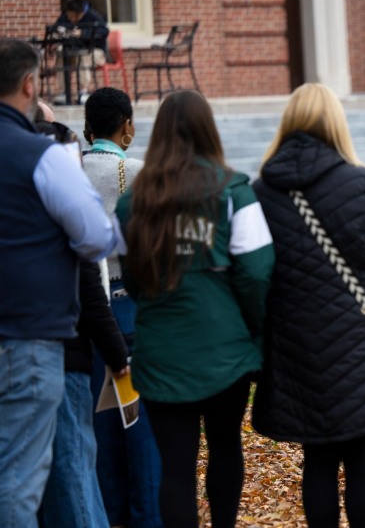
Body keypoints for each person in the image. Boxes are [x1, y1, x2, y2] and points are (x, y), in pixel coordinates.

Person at [251, 83, 365, 528]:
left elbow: (250, 274)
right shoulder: (363, 183)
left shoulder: (261, 192)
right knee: (364, 464)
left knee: (317, 462)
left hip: (293, 348)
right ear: (335, 123)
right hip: (362, 344)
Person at [114, 90, 274, 528]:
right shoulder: (233, 191)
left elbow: (131, 276)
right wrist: (257, 334)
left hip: (160, 350)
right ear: (209, 129)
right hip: (226, 350)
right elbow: (258, 272)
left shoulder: (133, 203)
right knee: (225, 448)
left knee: (176, 468)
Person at [0, 37, 116, 528]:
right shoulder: (43, 156)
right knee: (17, 484)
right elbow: (98, 236)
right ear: (30, 84)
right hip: (28, 338)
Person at [35, 105, 131, 528]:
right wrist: (118, 353)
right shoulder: (66, 208)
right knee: (78, 467)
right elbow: (91, 285)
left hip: (27, 347)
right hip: (77, 343)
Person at [82, 87, 164, 528]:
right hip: (129, 308)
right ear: (127, 125)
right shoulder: (133, 171)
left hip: (84, 317)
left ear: (89, 126)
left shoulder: (68, 172)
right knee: (143, 435)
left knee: (102, 435)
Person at [52, 0, 109, 100]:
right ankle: (64, 92)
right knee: (62, 56)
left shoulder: (93, 16)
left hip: (95, 51)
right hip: (72, 50)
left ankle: (83, 91)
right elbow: (55, 28)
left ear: (82, 12)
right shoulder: (65, 16)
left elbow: (104, 32)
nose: (72, 19)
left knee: (83, 56)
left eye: (75, 16)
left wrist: (83, 33)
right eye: (70, 16)